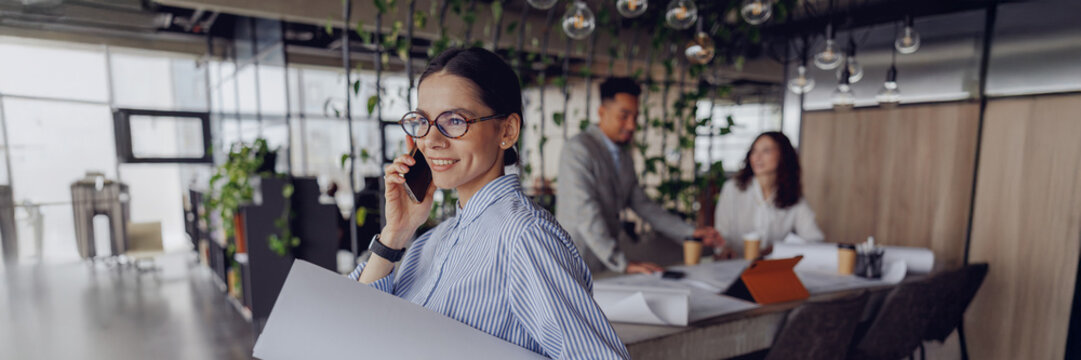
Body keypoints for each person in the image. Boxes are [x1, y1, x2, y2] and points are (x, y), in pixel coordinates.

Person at [348, 48, 629, 359]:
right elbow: (358, 325)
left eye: (454, 121)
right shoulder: (430, 242)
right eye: (423, 121)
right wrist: (395, 234)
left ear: (506, 131)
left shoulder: (524, 237)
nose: (431, 141)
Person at [557, 77, 723, 275]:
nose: (631, 125)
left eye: (635, 117)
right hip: (575, 260)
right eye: (624, 116)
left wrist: (690, 232)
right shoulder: (578, 149)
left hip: (605, 263)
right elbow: (586, 213)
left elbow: (643, 205)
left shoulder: (624, 156)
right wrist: (622, 263)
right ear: (602, 112)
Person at [713, 131, 824, 257]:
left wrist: (779, 249)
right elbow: (721, 236)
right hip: (733, 266)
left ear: (783, 155)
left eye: (766, 151)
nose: (757, 157)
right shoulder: (732, 189)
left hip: (771, 269)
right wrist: (724, 249)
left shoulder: (793, 196)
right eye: (754, 151)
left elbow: (814, 239)